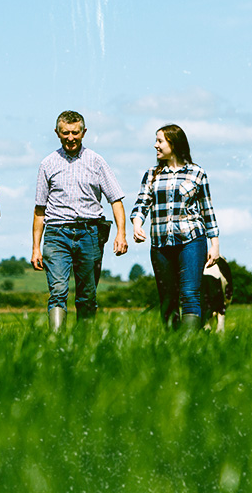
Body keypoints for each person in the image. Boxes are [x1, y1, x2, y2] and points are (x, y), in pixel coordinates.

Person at [31, 110, 128, 330]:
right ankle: (56, 343)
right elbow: (39, 210)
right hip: (56, 234)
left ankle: (84, 344)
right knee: (57, 291)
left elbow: (116, 200)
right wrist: (36, 248)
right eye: (65, 133)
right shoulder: (47, 164)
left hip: (90, 233)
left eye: (75, 132)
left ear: (84, 132)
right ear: (57, 133)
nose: (70, 137)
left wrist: (121, 234)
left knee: (87, 295)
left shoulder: (97, 161)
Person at [131, 124, 220, 330]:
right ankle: (173, 346)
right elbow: (141, 204)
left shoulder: (197, 173)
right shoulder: (152, 174)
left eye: (160, 141)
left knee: (190, 293)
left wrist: (214, 244)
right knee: (168, 298)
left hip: (192, 240)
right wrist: (137, 225)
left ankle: (189, 345)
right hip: (161, 243)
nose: (156, 145)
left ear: (174, 143)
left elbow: (207, 210)